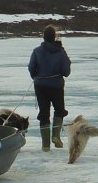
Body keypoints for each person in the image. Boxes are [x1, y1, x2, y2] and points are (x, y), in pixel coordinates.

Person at [28, 24, 71, 152]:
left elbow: (31, 67)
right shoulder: (61, 52)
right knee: (59, 110)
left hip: (40, 85)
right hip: (56, 85)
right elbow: (66, 71)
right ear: (54, 37)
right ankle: (56, 136)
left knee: (44, 113)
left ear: (44, 37)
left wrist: (35, 76)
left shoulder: (36, 51)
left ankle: (45, 144)